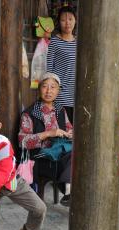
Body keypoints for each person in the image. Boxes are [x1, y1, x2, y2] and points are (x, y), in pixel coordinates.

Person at [19, 72, 73, 206]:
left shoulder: (60, 110)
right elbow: (23, 142)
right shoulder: (30, 113)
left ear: (58, 90)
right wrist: (49, 133)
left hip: (59, 154)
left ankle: (69, 190)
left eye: (53, 87)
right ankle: (68, 190)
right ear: (39, 89)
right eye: (45, 86)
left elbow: (68, 128)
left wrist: (70, 133)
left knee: (79, 154)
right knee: (73, 158)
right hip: (41, 157)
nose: (49, 91)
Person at [46, 5, 77, 124]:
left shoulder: (78, 43)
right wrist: (52, 89)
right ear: (59, 22)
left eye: (70, 19)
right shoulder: (54, 41)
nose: (67, 23)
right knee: (62, 127)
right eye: (63, 20)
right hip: (60, 93)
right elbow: (49, 68)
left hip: (75, 93)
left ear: (75, 20)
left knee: (74, 129)